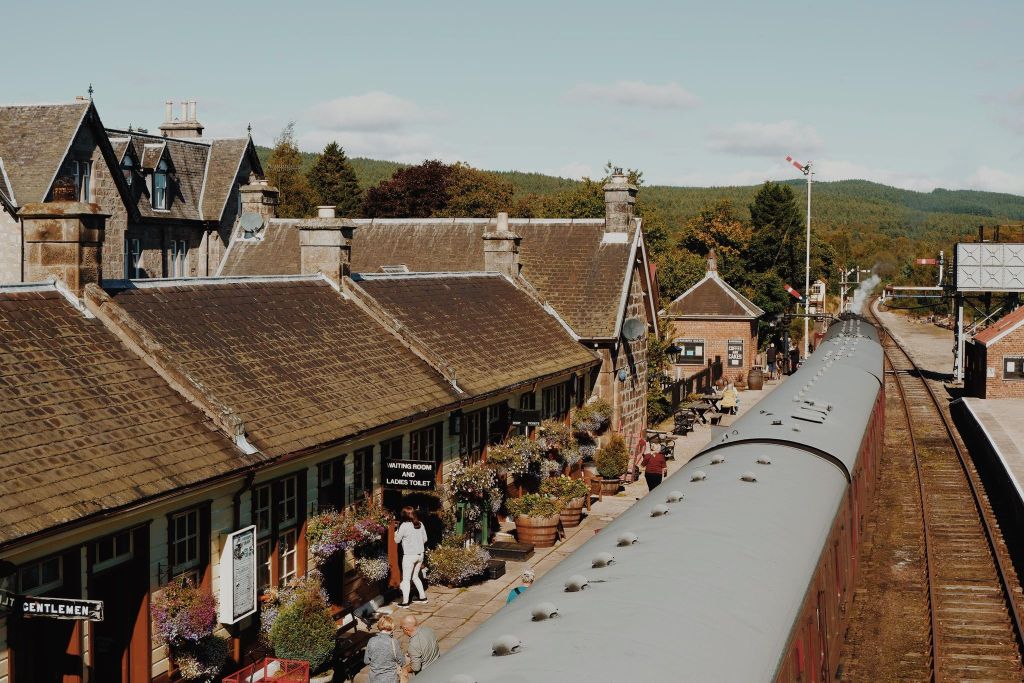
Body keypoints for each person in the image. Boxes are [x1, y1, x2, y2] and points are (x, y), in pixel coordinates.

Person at [394, 506, 428, 607]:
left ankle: (405, 602)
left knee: (406, 579)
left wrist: (396, 532)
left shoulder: (404, 526)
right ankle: (423, 597)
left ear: (403, 515)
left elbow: (397, 540)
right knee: (415, 577)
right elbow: (425, 539)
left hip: (409, 556)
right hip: (420, 555)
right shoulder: (420, 524)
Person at [364, 615, 406, 683]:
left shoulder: (371, 640)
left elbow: (366, 661)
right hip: (390, 679)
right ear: (392, 627)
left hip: (373, 679)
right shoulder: (394, 642)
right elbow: (402, 662)